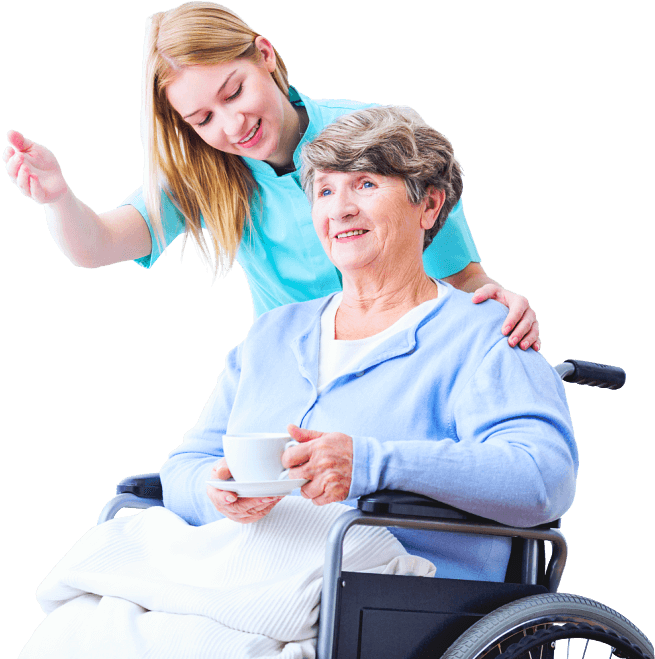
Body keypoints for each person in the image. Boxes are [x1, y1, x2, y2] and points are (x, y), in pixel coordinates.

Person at [160, 106, 577, 582]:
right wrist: (216, 495)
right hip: (239, 569)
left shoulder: (486, 332)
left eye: (365, 184)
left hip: (386, 596)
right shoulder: (273, 335)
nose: (339, 209)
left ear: (430, 206)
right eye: (324, 190)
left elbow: (542, 477)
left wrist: (372, 463)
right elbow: (186, 467)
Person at [4, 1, 541, 351]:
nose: (232, 125)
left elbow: (461, 275)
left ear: (264, 54)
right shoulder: (207, 174)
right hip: (297, 373)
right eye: (203, 119)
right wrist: (57, 198)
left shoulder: (384, 135)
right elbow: (94, 245)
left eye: (234, 91)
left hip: (405, 357)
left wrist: (504, 305)